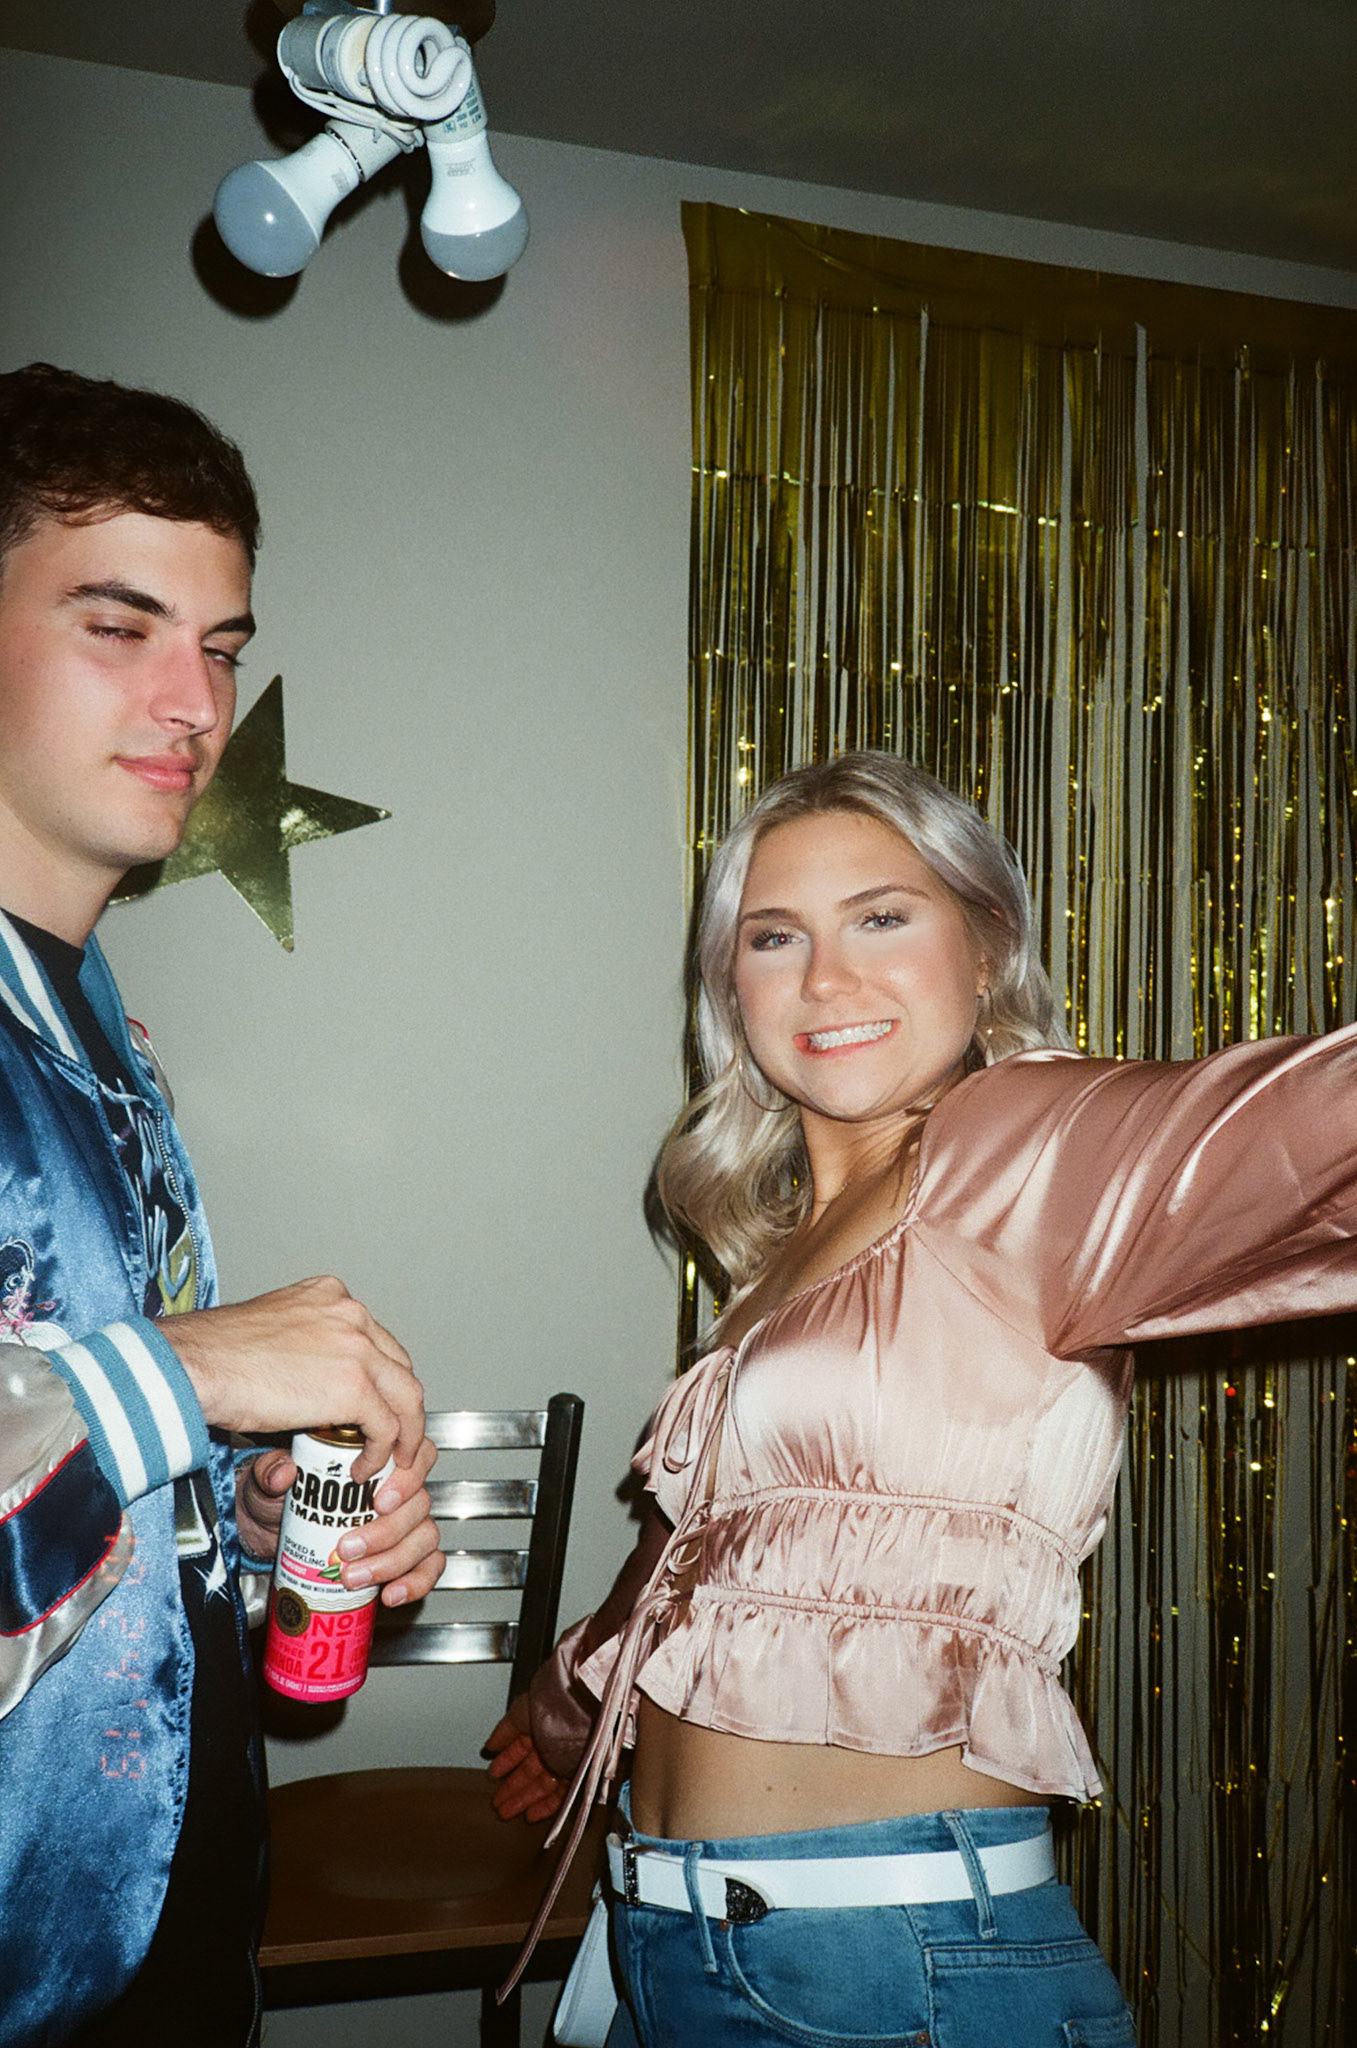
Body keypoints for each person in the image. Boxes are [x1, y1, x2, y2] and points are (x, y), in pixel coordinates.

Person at [485, 750, 1357, 2046]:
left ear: (986, 948)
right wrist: (569, 1705)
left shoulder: (1024, 1146)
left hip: (885, 1968)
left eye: (881, 918)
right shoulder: (779, 1257)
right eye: (774, 937)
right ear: (730, 985)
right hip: (666, 1948)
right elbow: (705, 1545)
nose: (825, 980)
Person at [0, 363, 444, 2047]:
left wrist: (246, 1525)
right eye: (120, 626)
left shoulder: (101, 1029)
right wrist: (181, 1371)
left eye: (224, 644)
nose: (196, 701)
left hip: (170, 1939)